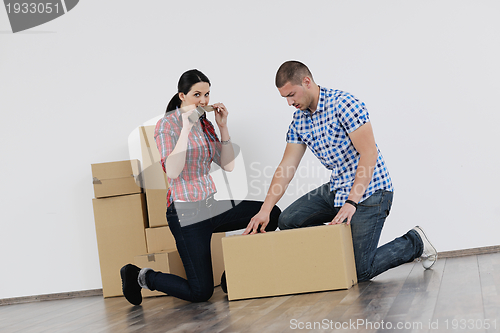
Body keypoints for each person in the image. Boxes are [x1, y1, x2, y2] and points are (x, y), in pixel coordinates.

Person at [245, 61, 437, 282]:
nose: (289, 103)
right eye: (285, 98)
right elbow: (287, 166)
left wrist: (351, 202)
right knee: (288, 221)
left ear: (306, 82)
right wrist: (265, 209)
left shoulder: (343, 104)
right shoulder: (299, 120)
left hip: (370, 191)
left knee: (359, 271)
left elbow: (369, 154)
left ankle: (415, 242)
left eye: (292, 95)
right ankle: (336, 256)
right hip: (338, 187)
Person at [120, 69, 281, 305]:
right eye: (197, 94)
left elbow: (227, 165)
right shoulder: (167, 126)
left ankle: (234, 275)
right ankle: (140, 276)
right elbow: (172, 171)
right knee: (201, 293)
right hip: (187, 215)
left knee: (271, 214)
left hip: (211, 207)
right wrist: (185, 129)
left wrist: (223, 126)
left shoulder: (205, 125)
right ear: (182, 96)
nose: (204, 101)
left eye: (207, 94)